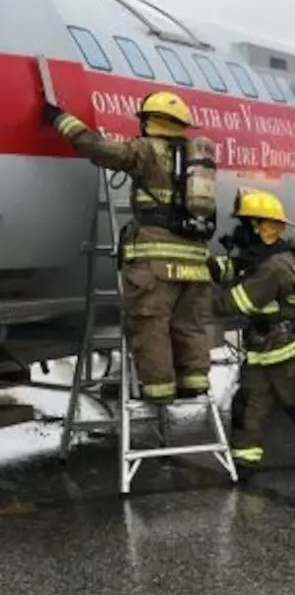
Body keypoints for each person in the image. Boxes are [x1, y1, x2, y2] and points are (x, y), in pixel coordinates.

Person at [43, 91, 217, 401]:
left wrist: (60, 119)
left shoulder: (146, 150)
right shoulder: (196, 159)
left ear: (150, 122)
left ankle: (158, 391)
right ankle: (194, 384)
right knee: (190, 326)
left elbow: (97, 149)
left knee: (151, 326)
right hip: (196, 262)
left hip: (156, 261)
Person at [209, 189, 295, 479]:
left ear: (267, 228)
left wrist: (194, 302)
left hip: (294, 353)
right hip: (264, 350)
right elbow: (237, 268)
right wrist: (208, 266)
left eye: (248, 224)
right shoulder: (263, 259)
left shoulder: (276, 266)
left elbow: (237, 301)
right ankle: (244, 462)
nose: (241, 231)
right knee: (248, 406)